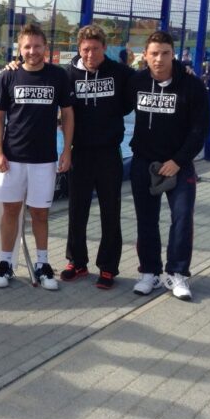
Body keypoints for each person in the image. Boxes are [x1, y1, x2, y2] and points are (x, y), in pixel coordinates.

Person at [126, 30, 209, 301]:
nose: (159, 59)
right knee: (146, 220)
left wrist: (178, 161)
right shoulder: (136, 82)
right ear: (145, 56)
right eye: (154, 54)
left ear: (173, 54)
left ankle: (177, 273)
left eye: (165, 53)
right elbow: (109, 91)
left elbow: (199, 129)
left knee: (182, 218)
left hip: (178, 165)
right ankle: (149, 272)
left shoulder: (192, 86)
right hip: (144, 163)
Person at [0, 23, 74, 290]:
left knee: (40, 213)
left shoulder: (58, 76)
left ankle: (43, 263)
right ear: (19, 49)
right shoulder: (9, 76)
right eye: (27, 46)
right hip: (12, 158)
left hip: (44, 159)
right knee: (10, 211)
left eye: (37, 46)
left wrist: (67, 149)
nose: (32, 51)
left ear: (45, 48)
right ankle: (5, 263)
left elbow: (68, 114)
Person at [61, 25, 135, 289]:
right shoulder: (68, 74)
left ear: (104, 47)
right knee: (76, 210)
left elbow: (145, 82)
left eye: (95, 49)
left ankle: (108, 267)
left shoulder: (121, 73)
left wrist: (183, 71)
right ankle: (77, 262)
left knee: (110, 211)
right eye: (85, 49)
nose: (90, 54)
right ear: (79, 49)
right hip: (80, 152)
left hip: (108, 152)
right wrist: (14, 65)